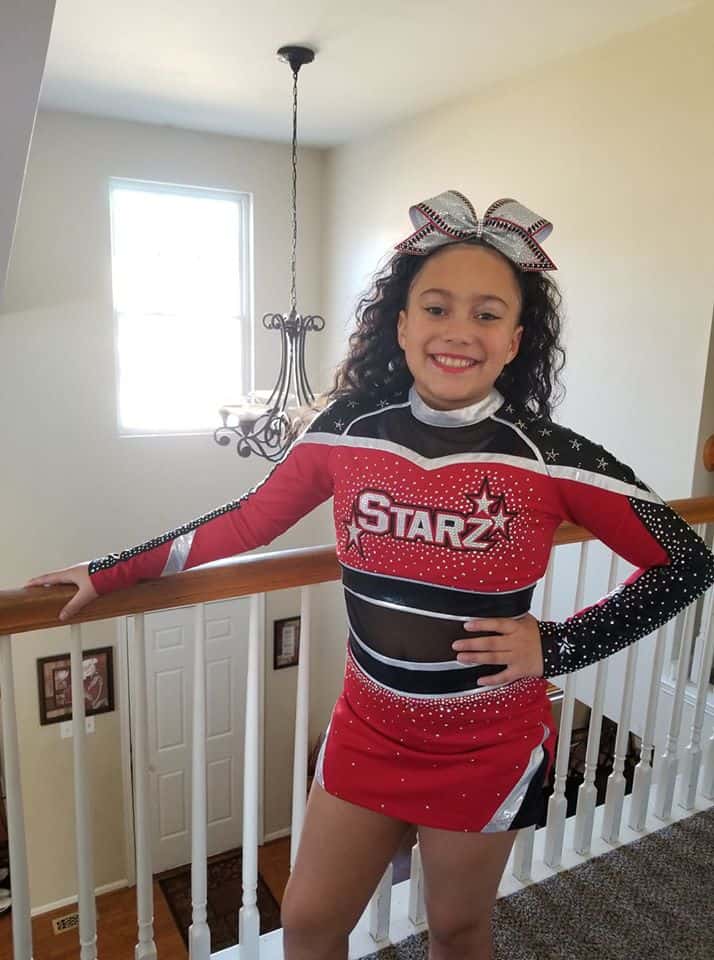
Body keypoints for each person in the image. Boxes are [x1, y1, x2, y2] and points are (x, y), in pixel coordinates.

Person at [26, 190, 714, 960]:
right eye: (437, 307)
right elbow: (246, 521)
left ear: (516, 340)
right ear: (402, 323)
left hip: (486, 742)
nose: (459, 332)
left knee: (456, 929)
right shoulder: (341, 432)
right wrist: (112, 570)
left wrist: (556, 649)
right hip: (369, 726)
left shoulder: (553, 456)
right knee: (313, 926)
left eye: (487, 314)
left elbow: (685, 561)